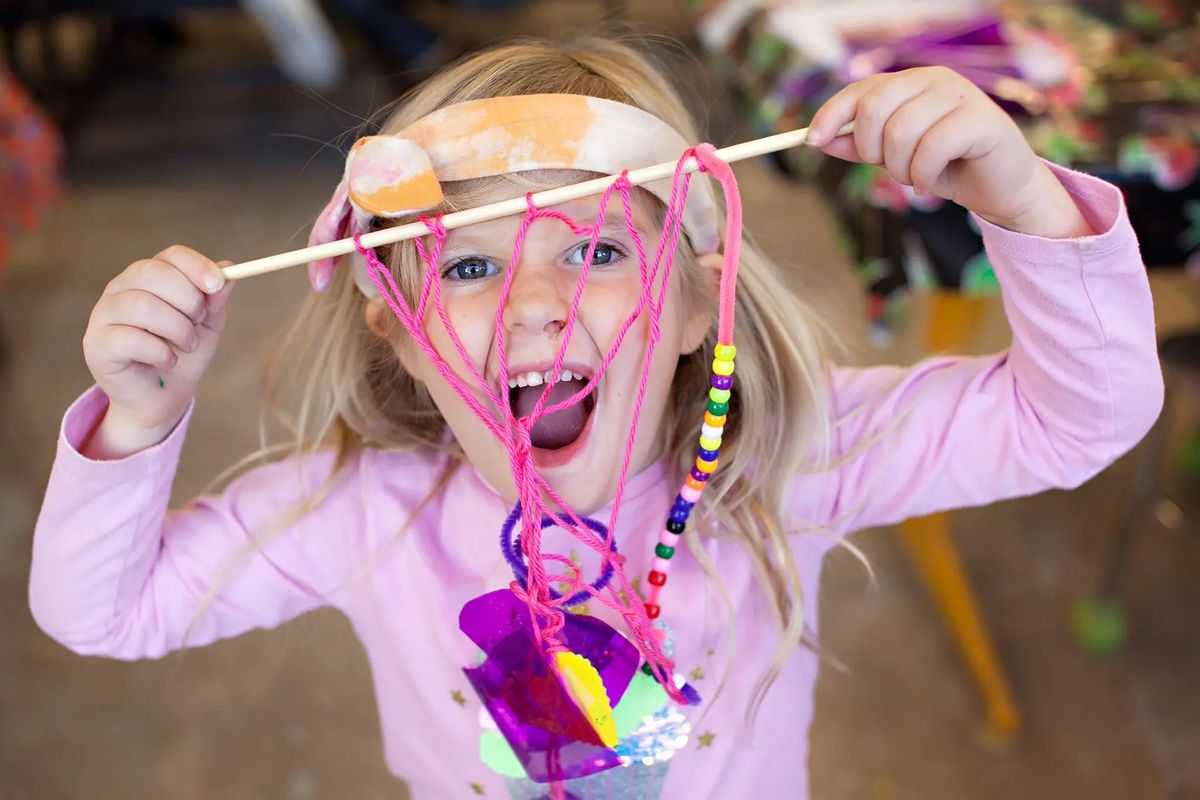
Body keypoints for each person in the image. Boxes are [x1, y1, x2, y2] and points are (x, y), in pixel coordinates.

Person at [29, 37, 1162, 799]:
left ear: (687, 305)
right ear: (397, 330)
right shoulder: (357, 507)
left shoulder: (793, 456)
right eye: (468, 261)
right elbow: (105, 612)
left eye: (602, 246)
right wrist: (137, 416)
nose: (533, 301)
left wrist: (1020, 197)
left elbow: (1081, 416)